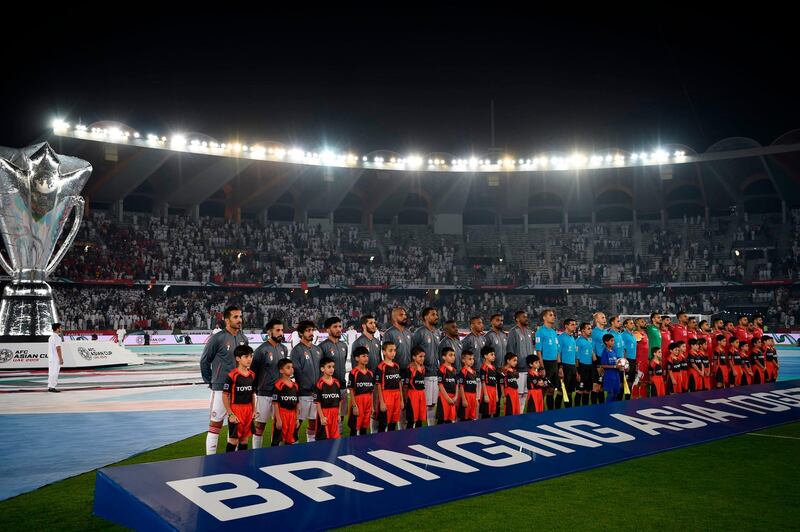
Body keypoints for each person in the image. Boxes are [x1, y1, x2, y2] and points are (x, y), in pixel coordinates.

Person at [200, 305, 248, 455]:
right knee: (216, 425)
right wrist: (211, 381)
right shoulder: (217, 338)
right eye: (235, 317)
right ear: (227, 320)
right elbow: (204, 361)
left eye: (240, 316)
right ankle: (210, 459)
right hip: (221, 388)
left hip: (238, 388)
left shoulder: (243, 338)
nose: (239, 320)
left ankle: (231, 459)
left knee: (234, 425)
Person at [250, 318, 288, 449]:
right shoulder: (261, 350)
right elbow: (253, 372)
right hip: (264, 394)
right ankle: (256, 453)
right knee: (260, 426)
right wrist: (255, 391)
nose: (281, 333)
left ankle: (275, 452)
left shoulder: (284, 349)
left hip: (280, 394)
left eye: (282, 330)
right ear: (269, 332)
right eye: (277, 330)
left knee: (279, 424)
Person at [290, 320, 324, 442]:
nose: (311, 333)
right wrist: (307, 387)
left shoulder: (318, 350)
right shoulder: (296, 351)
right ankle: (293, 446)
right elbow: (297, 371)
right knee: (297, 423)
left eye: (312, 330)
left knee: (313, 422)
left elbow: (321, 371)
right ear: (300, 333)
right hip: (302, 394)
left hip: (316, 394)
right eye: (308, 330)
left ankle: (311, 446)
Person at [222, 345, 256, 452]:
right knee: (233, 440)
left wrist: (254, 410)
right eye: (246, 356)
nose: (249, 359)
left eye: (251, 356)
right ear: (238, 359)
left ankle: (242, 464)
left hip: (248, 410)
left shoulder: (252, 375)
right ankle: (227, 464)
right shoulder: (232, 375)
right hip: (236, 410)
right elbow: (225, 395)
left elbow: (252, 395)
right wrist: (230, 414)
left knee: (244, 440)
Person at [375, 341, 403, 432]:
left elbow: (399, 383)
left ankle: (391, 442)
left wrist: (401, 400)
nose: (393, 353)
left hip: (397, 395)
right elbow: (378, 385)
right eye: (390, 350)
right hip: (386, 395)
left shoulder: (396, 366)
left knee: (393, 421)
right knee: (383, 423)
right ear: (384, 352)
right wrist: (382, 402)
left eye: (394, 350)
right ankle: (380, 443)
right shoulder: (381, 366)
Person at [271, 359, 300, 445]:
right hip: (282, 414)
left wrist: (297, 418)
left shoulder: (295, 385)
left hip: (292, 415)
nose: (291, 369)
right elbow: (275, 403)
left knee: (290, 439)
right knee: (277, 440)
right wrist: (278, 419)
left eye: (292, 367)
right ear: (281, 370)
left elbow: (297, 403)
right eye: (288, 367)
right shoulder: (278, 385)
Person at [314, 357, 343, 440]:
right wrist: (321, 417)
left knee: (335, 438)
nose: (332, 369)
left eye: (333, 367)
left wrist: (338, 413)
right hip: (325, 413)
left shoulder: (336, 382)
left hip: (335, 413)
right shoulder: (319, 383)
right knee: (323, 439)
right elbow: (318, 402)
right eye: (329, 367)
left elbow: (339, 400)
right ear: (322, 369)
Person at [347, 346, 374, 436]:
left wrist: (372, 406)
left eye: (367, 356)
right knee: (354, 427)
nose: (366, 358)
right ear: (357, 358)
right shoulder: (353, 373)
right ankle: (351, 447)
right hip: (358, 400)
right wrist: (354, 406)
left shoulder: (370, 373)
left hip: (368, 400)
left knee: (364, 425)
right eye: (363, 356)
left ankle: (362, 446)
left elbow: (372, 391)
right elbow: (351, 390)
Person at [404, 346, 427, 428]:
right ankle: (409, 438)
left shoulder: (423, 368)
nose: (422, 358)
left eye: (424, 356)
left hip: (421, 394)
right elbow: (405, 386)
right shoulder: (410, 368)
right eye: (420, 356)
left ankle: (419, 435)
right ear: (414, 357)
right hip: (412, 395)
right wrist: (405, 399)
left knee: (420, 418)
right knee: (412, 419)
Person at [436, 347, 458, 424]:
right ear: (444, 357)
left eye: (454, 355)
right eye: (450, 355)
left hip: (452, 397)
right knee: (442, 420)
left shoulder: (454, 370)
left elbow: (456, 384)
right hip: (444, 397)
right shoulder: (442, 369)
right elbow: (440, 384)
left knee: (450, 419)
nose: (453, 357)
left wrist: (456, 396)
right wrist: (447, 398)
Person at [457, 350, 478, 421]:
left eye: (473, 359)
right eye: (469, 359)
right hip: (466, 396)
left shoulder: (474, 372)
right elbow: (461, 386)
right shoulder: (463, 371)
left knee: (472, 417)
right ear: (463, 360)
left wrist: (476, 399)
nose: (472, 361)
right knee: (464, 417)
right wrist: (463, 399)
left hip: (473, 396)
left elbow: (475, 386)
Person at [599, 334, 622, 402]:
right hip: (609, 376)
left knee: (616, 393)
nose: (613, 342)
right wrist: (615, 366)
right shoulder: (605, 352)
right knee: (610, 394)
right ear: (606, 342)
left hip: (616, 375)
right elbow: (603, 365)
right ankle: (608, 409)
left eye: (613, 340)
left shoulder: (614, 351)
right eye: (611, 341)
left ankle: (614, 409)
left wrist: (621, 366)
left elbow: (617, 362)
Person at [479, 345, 499, 419]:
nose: (494, 356)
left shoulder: (493, 368)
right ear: (485, 356)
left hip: (493, 391)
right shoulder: (484, 367)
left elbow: (495, 381)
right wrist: (485, 395)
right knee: (486, 412)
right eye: (491, 354)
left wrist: (496, 394)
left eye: (494, 354)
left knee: (492, 411)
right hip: (487, 390)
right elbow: (483, 382)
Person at [47, 323, 64, 393]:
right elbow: (58, 348)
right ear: (57, 329)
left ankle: (50, 386)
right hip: (55, 357)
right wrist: (60, 358)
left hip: (51, 357)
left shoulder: (51, 337)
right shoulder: (57, 337)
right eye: (60, 327)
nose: (61, 329)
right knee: (55, 372)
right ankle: (52, 387)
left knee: (51, 372)